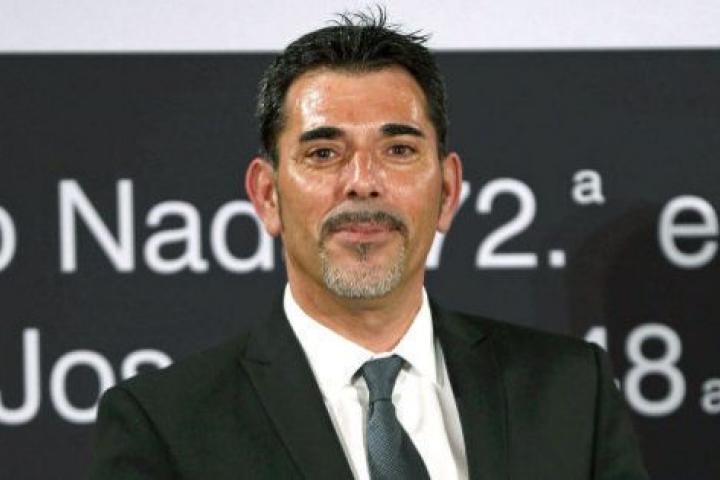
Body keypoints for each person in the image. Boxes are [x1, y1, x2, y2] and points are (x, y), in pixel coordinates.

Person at [89, 10, 649, 480]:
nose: (363, 181)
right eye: (323, 153)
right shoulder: (165, 427)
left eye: (399, 150)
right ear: (267, 196)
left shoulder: (573, 392)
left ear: (447, 191)